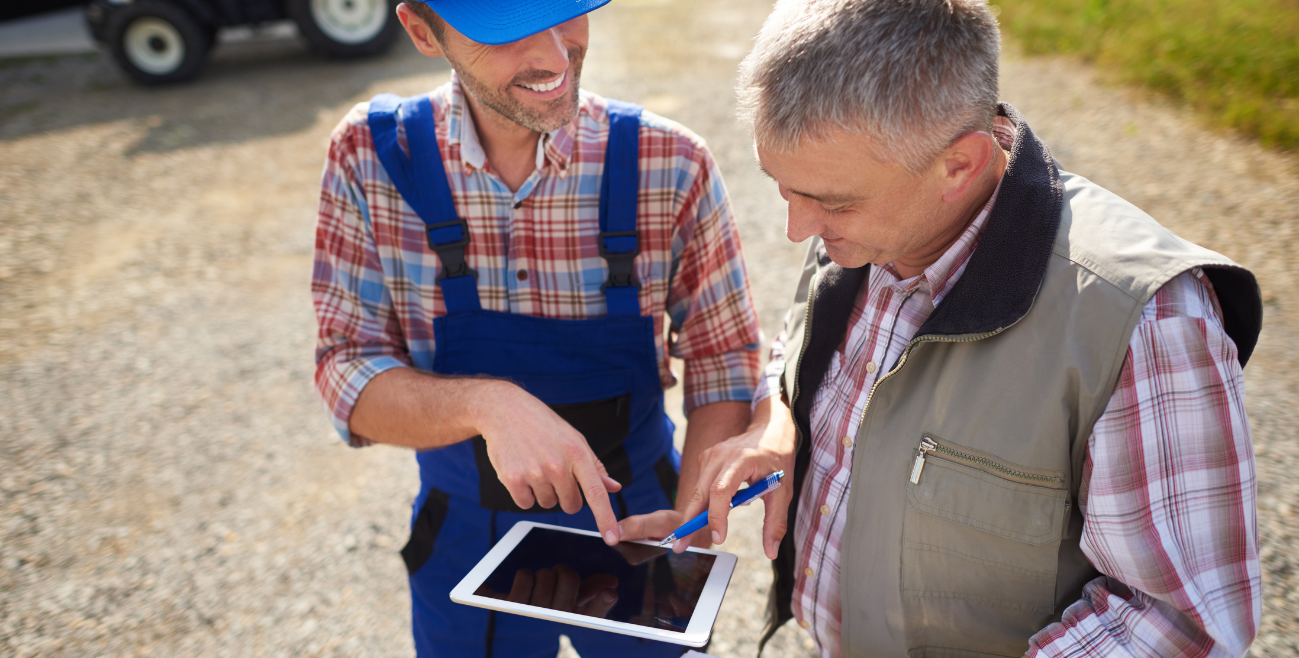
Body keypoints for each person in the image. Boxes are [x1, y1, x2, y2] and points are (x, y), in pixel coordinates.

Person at [617, 0, 1264, 656]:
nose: (796, 229)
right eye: (784, 190)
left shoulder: (1144, 322)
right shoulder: (870, 220)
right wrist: (778, 417)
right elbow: (804, 344)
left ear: (957, 164)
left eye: (830, 202)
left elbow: (1180, 624)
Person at [309, 1, 762, 656]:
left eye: (567, 11)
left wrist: (688, 513)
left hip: (639, 516)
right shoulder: (372, 157)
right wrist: (486, 405)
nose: (554, 57)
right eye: (505, 32)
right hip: (463, 532)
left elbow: (723, 362)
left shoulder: (670, 163)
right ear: (420, 31)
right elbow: (346, 371)